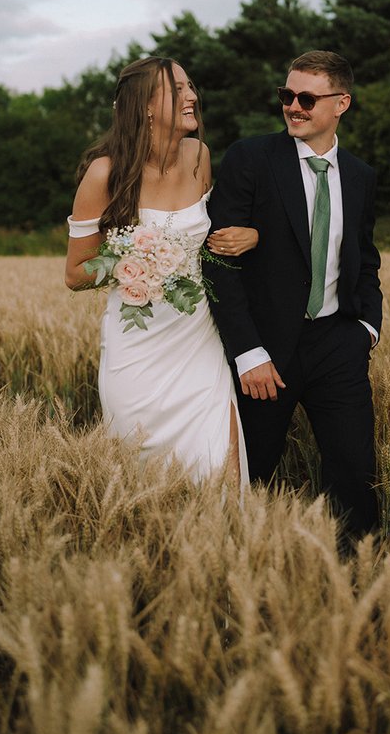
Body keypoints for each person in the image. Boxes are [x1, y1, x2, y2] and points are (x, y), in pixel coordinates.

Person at [205, 50, 382, 540]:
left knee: (355, 480)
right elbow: (218, 259)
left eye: (307, 97)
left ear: (341, 103)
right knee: (250, 477)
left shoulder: (361, 176)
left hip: (338, 346)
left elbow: (365, 259)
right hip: (266, 352)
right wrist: (247, 352)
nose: (293, 106)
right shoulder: (252, 158)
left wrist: (366, 328)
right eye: (287, 95)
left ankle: (355, 589)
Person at [65, 55, 256, 486]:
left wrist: (252, 236)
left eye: (191, 86)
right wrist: (132, 264)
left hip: (198, 342)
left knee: (220, 469)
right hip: (137, 353)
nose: (192, 96)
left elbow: (215, 243)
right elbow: (75, 272)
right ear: (146, 106)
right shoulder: (104, 174)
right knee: (143, 481)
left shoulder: (199, 157)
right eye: (178, 89)